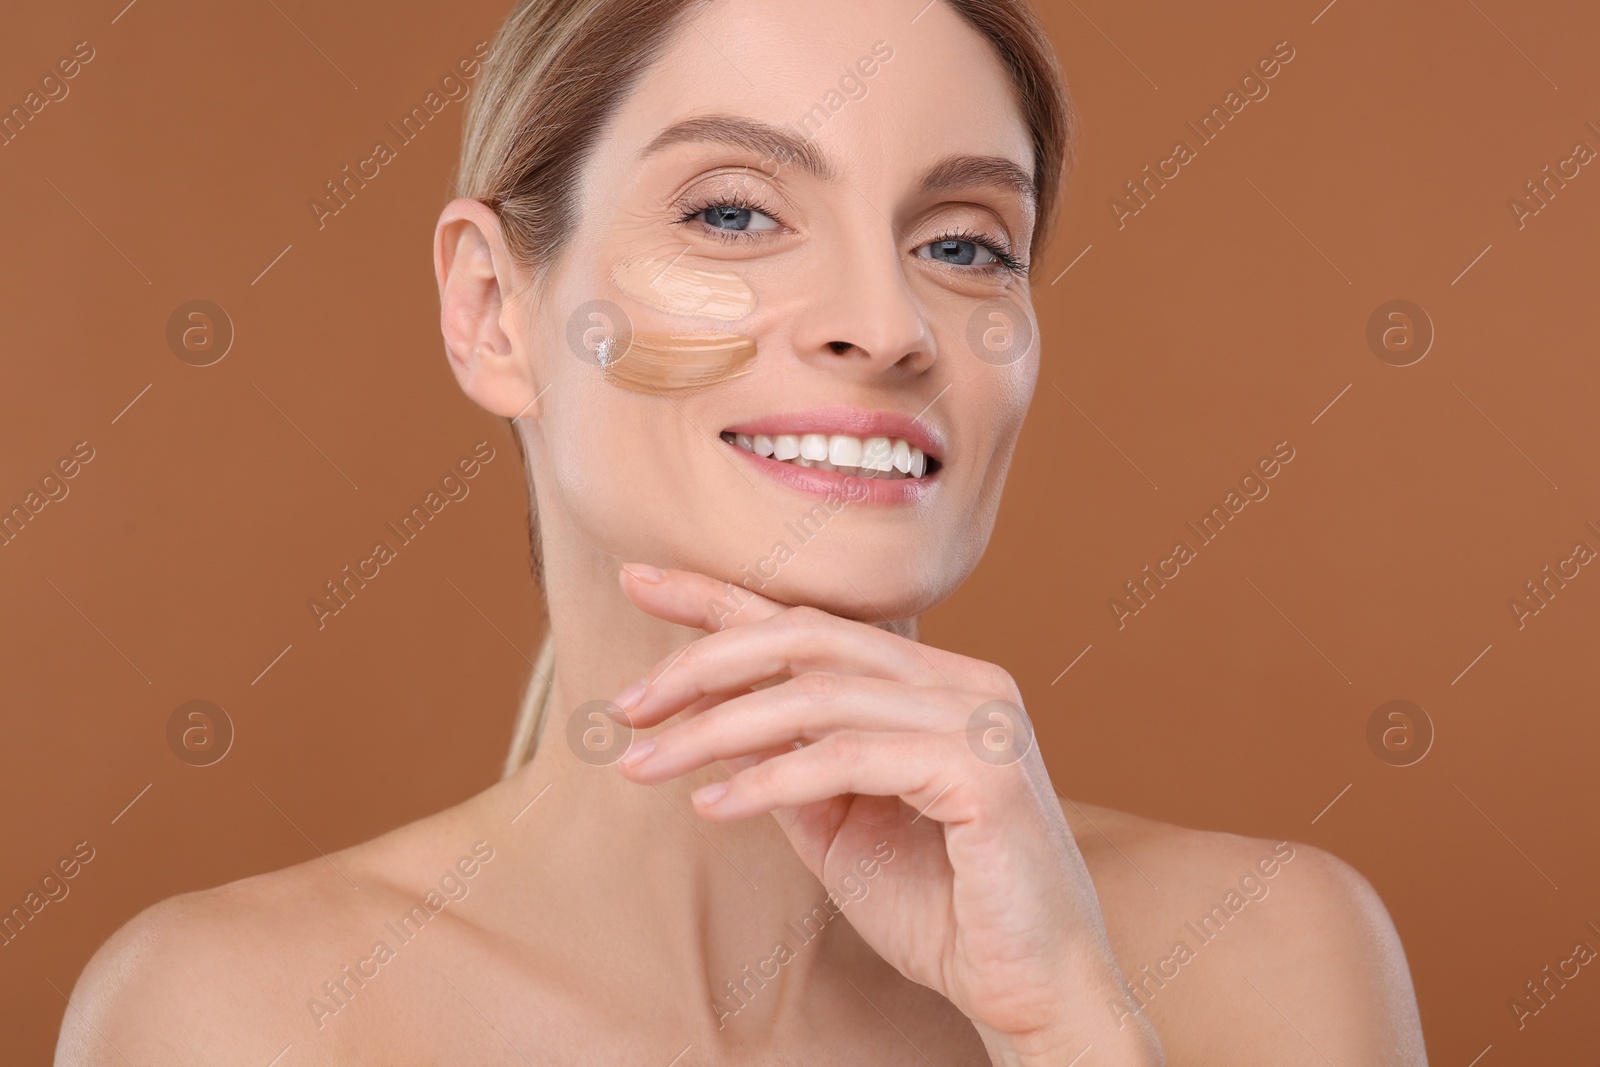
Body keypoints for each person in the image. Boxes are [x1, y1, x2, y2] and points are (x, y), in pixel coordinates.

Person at [58, 0, 1428, 1062]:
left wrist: (1070, 1035)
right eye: (733, 213)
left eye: (962, 244)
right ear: (492, 310)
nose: (888, 327)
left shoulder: (1275, 959)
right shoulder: (246, 1020)